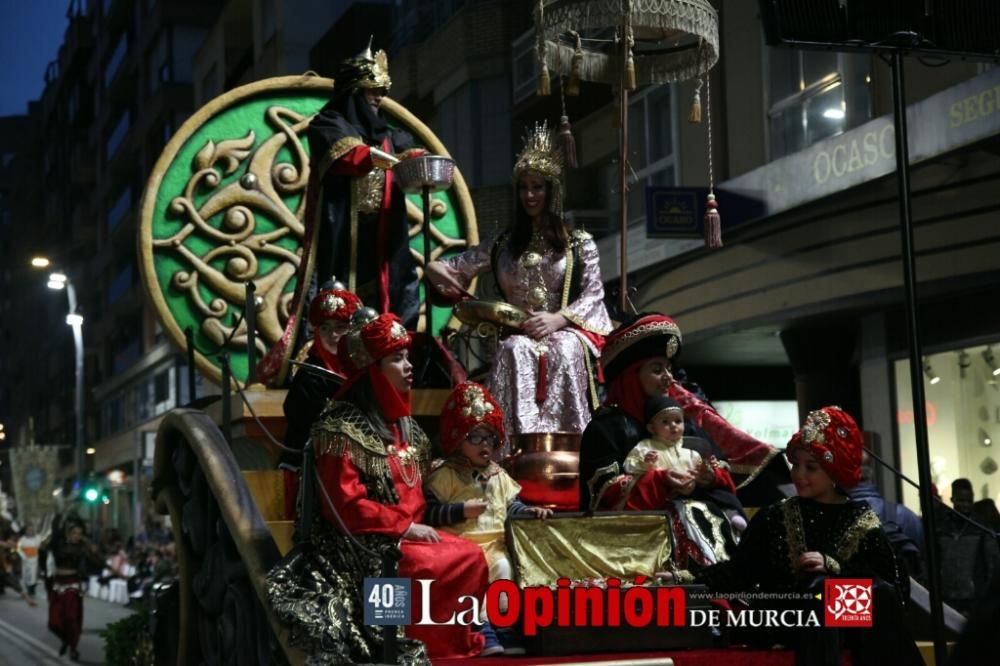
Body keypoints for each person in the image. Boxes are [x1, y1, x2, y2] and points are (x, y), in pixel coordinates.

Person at [266, 310, 499, 663]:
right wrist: (401, 527)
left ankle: (448, 647)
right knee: (421, 565)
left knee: (468, 555)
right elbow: (345, 506)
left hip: (411, 531)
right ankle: (393, 648)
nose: (409, 367)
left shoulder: (406, 427)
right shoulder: (340, 428)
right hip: (360, 540)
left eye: (408, 357)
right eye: (397, 359)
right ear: (372, 369)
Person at [661, 406, 924, 666]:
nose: (799, 475)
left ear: (835, 470)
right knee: (818, 593)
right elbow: (738, 572)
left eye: (811, 467)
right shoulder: (774, 516)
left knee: (828, 590)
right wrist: (684, 578)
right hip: (786, 617)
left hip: (843, 623)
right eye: (796, 465)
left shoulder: (862, 519)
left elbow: (894, 587)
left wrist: (834, 568)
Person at [426, 122, 612, 437]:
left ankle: (571, 439)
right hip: (516, 333)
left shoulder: (579, 243)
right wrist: (438, 273)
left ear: (551, 191)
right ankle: (514, 442)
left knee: (565, 349)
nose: (530, 195)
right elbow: (449, 268)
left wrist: (557, 319)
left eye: (537, 187)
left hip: (566, 330)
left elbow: (593, 294)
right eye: (524, 187)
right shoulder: (503, 244)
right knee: (514, 349)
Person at [579, 313, 780, 513]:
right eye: (658, 370)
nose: (669, 378)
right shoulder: (606, 428)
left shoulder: (686, 423)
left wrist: (708, 477)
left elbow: (721, 471)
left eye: (669, 369)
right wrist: (661, 480)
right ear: (631, 377)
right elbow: (601, 497)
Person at [425, 382, 552, 593]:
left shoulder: (498, 474)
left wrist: (526, 510)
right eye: (475, 437)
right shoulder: (446, 474)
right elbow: (428, 514)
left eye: (489, 438)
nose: (484, 444)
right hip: (458, 548)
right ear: (458, 440)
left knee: (504, 569)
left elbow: (510, 505)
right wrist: (461, 511)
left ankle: (497, 622)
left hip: (495, 546)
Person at [280, 286, 361, 517]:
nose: (334, 335)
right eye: (325, 329)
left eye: (341, 328)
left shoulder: (366, 371)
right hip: (314, 469)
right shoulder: (308, 376)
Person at [625, 396, 745, 532]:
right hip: (667, 495)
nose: (674, 425)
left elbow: (701, 467)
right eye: (665, 422)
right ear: (652, 428)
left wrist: (708, 468)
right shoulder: (646, 446)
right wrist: (645, 463)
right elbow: (630, 466)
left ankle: (730, 513)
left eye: (678, 421)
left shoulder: (692, 446)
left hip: (694, 490)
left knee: (717, 496)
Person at [846, 452, 925, 582]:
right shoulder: (906, 516)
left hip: (849, 599)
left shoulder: (831, 517)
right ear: (871, 474)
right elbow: (920, 565)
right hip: (901, 598)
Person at [938, 478, 1000, 615]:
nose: (966, 505)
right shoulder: (941, 527)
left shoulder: (981, 528)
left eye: (969, 501)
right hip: (947, 598)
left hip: (974, 599)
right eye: (961, 500)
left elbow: (992, 565)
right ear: (952, 499)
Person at [46, 516, 102, 661]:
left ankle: (73, 648)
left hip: (73, 584)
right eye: (75, 533)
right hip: (57, 584)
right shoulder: (58, 545)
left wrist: (91, 547)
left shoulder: (82, 548)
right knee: (54, 622)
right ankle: (65, 639)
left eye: (80, 534)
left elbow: (98, 562)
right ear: (68, 533)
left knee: (72, 618)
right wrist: (60, 515)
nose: (77, 536)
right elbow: (55, 530)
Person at [16, 524, 43, 596]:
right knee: (26, 575)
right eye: (29, 530)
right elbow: (18, 548)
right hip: (25, 560)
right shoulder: (22, 539)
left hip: (34, 559)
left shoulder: (37, 538)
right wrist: (23, 556)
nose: (30, 531)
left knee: (34, 575)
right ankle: (28, 587)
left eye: (32, 530)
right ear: (26, 531)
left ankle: (32, 588)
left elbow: (39, 546)